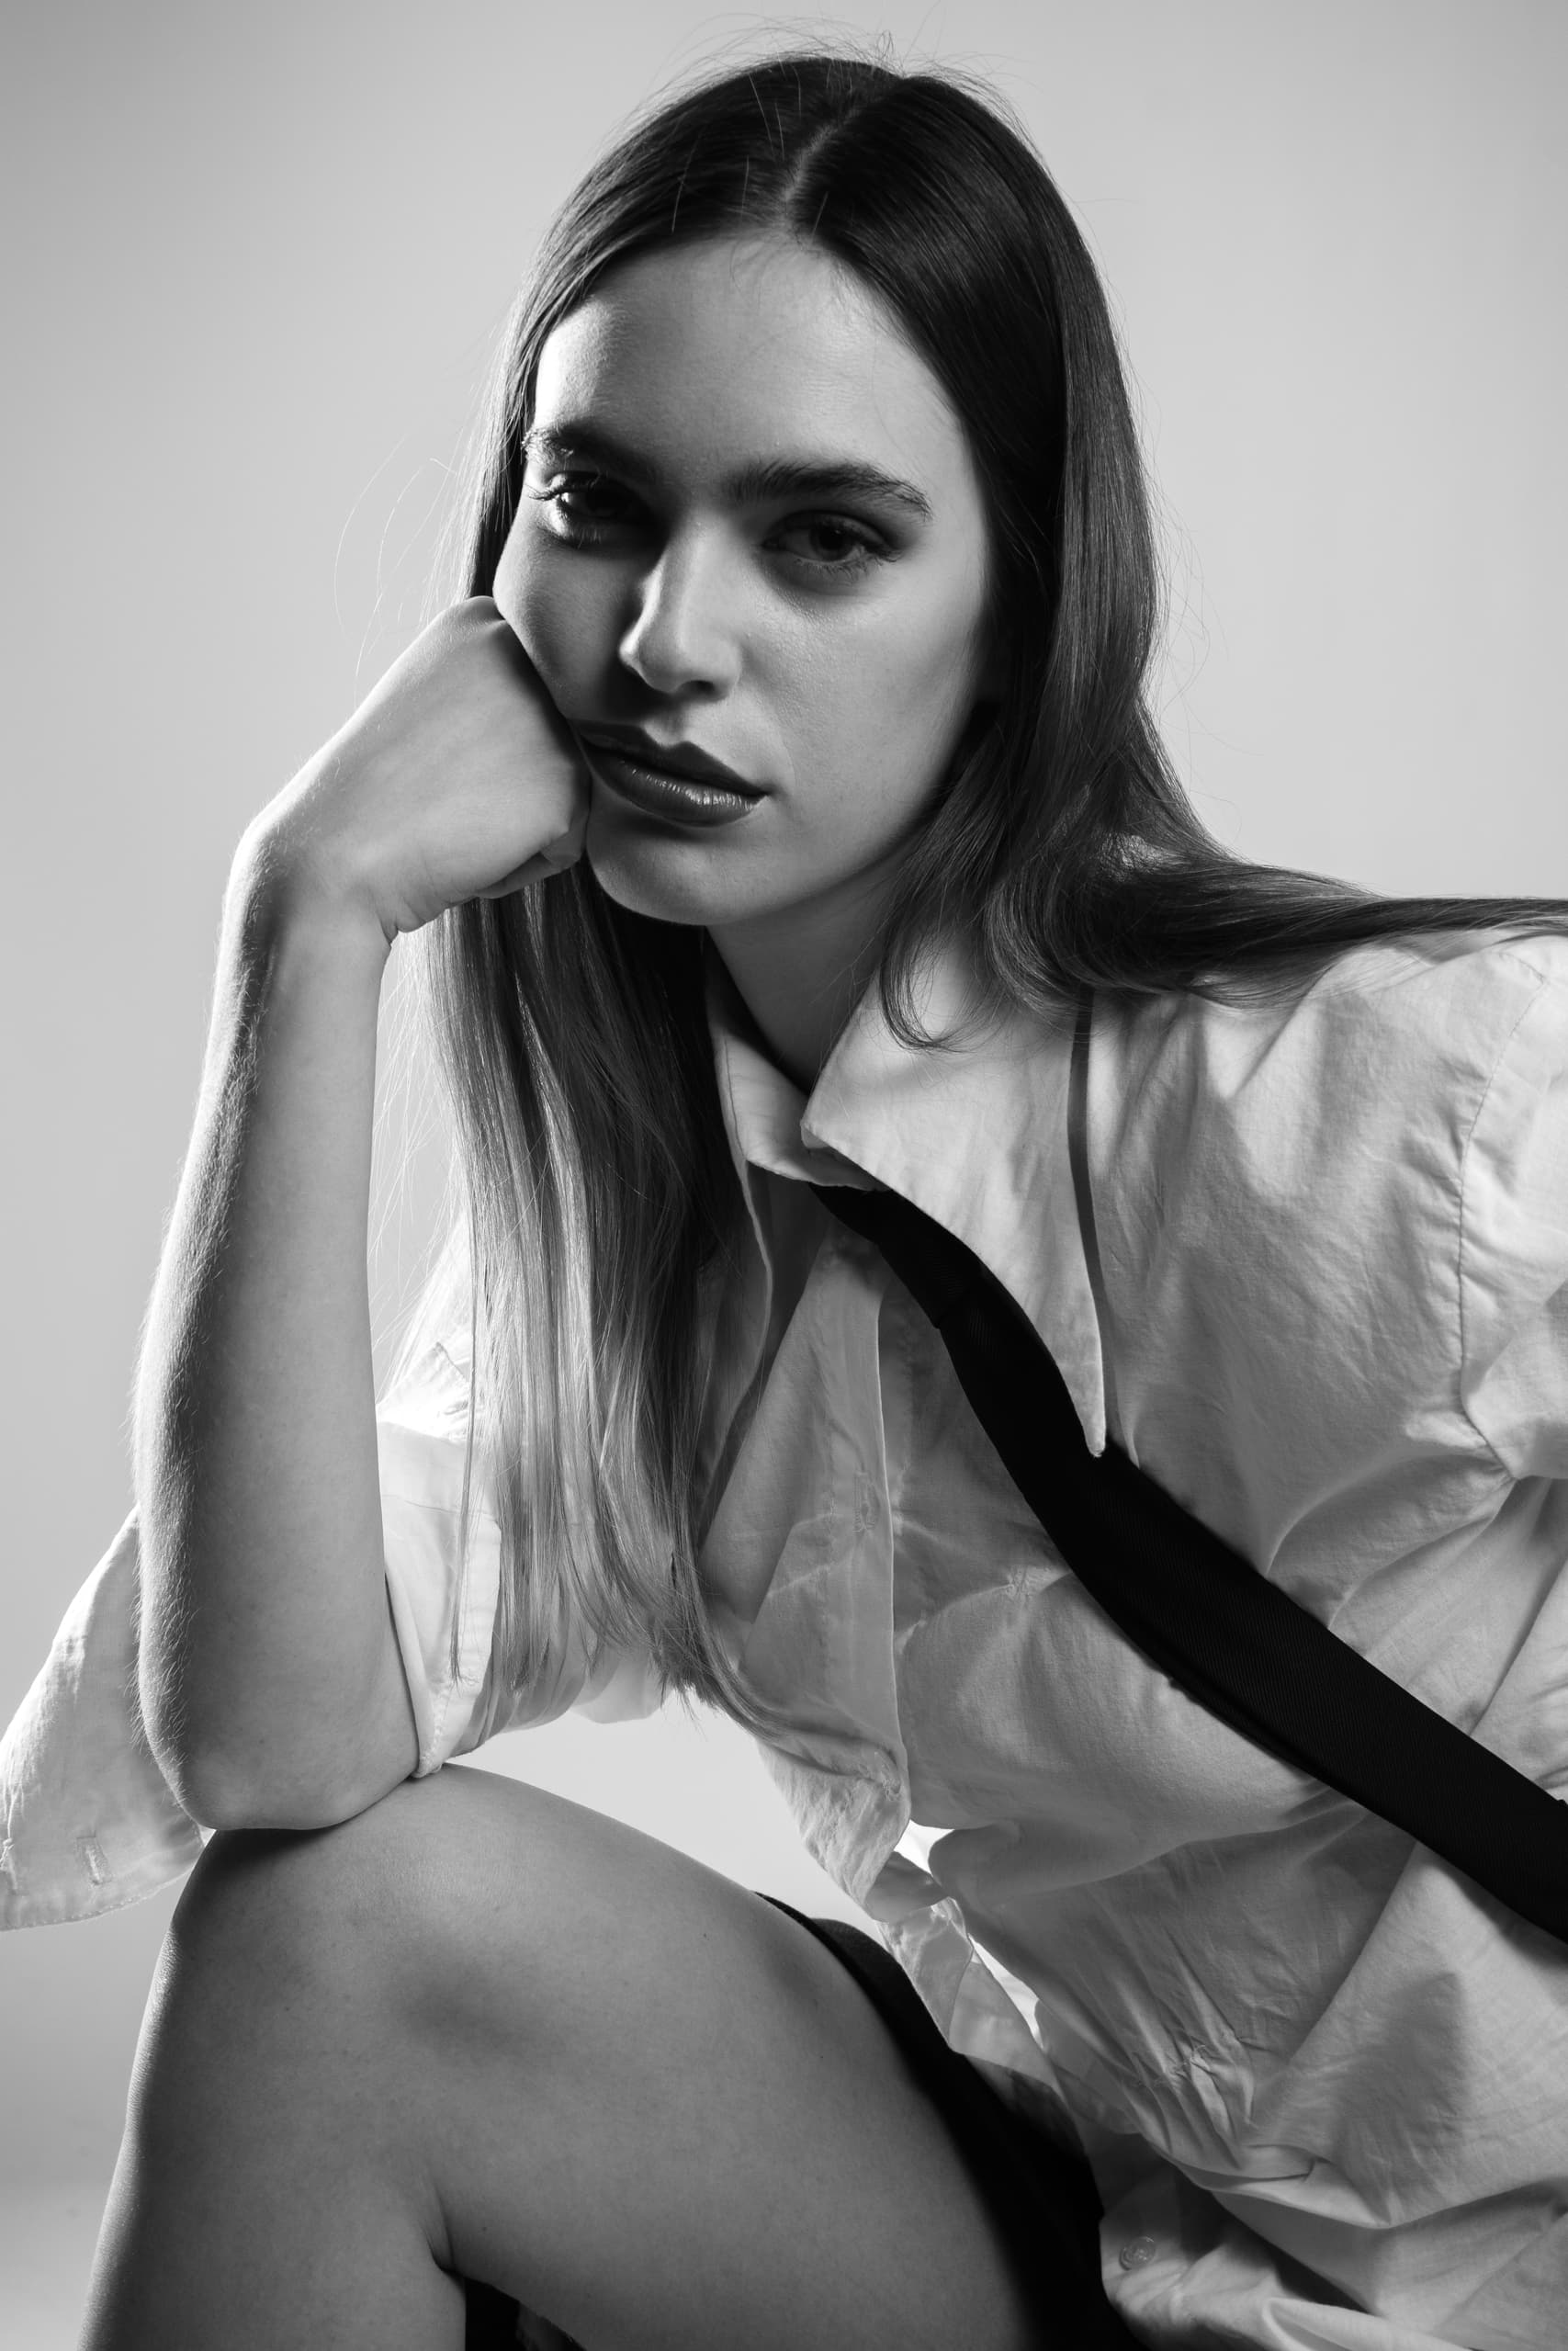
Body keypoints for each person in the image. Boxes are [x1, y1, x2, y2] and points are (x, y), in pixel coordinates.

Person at [3, 47, 1564, 2351]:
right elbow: (269, 1747)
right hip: (1122, 2259)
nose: (662, 637)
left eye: (822, 536)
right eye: (596, 501)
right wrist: (303, 917)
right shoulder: (647, 1255)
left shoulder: (1410, 1100)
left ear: (1024, 606)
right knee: (324, 1945)